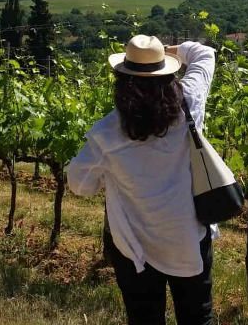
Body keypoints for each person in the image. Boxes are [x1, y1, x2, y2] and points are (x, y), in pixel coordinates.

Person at [68, 35, 217, 325]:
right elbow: (204, 54)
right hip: (187, 236)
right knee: (198, 316)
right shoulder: (190, 103)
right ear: (169, 75)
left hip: (134, 247)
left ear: (122, 83)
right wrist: (166, 50)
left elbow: (79, 185)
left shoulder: (107, 133)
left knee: (144, 319)